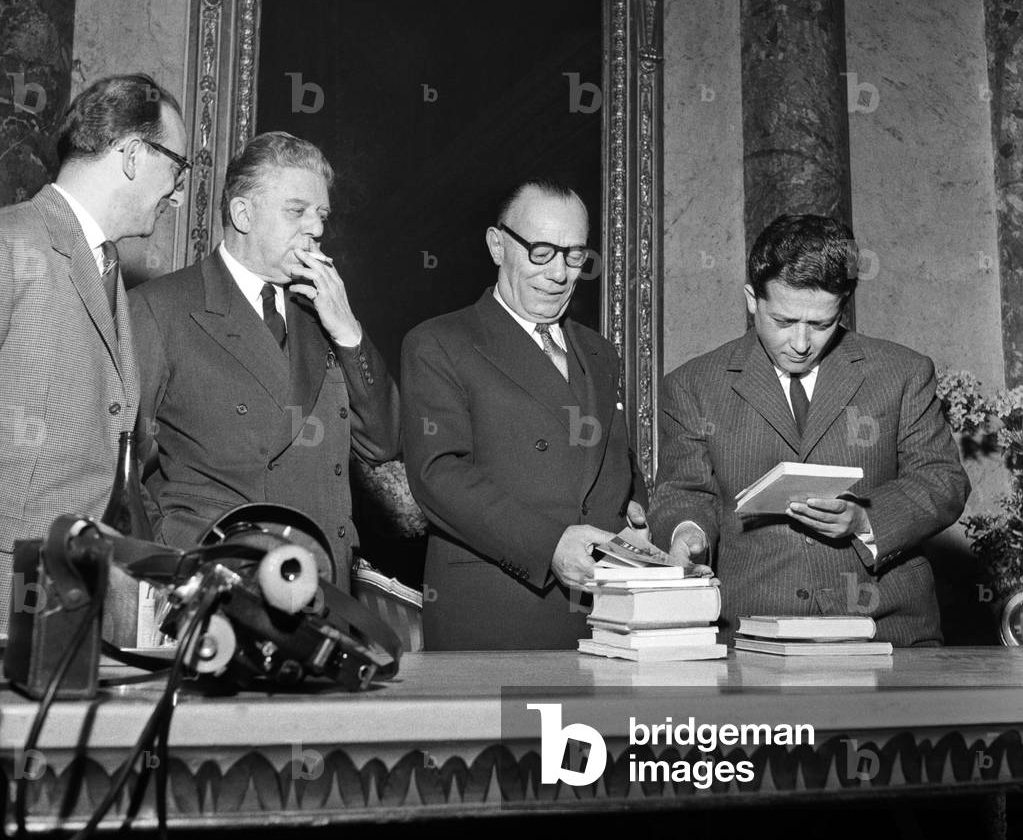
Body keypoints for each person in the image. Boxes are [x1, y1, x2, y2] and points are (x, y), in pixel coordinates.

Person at [648, 214, 971, 645]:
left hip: (889, 630)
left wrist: (865, 519)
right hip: (752, 632)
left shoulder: (903, 373)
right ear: (751, 299)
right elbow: (685, 492)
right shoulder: (693, 386)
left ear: (844, 306)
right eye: (783, 321)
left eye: (820, 324)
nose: (800, 344)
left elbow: (943, 480)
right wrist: (687, 533)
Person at [129, 132, 400, 590]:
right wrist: (172, 558)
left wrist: (349, 331)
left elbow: (383, 442)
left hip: (322, 584)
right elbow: (121, 469)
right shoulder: (161, 309)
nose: (315, 227)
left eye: (321, 214)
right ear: (243, 214)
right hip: (219, 586)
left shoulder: (323, 311)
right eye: (297, 211)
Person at [401, 179, 647, 650]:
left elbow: (617, 462)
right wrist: (549, 545)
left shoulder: (600, 352)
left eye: (574, 255)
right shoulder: (439, 344)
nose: (559, 273)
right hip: (500, 613)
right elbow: (439, 476)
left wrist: (640, 514)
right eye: (540, 251)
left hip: (608, 615)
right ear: (498, 246)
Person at [0, 73, 188, 631]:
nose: (177, 192)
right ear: (133, 154)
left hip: (70, 608)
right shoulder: (13, 245)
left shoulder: (105, 270)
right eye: (177, 168)